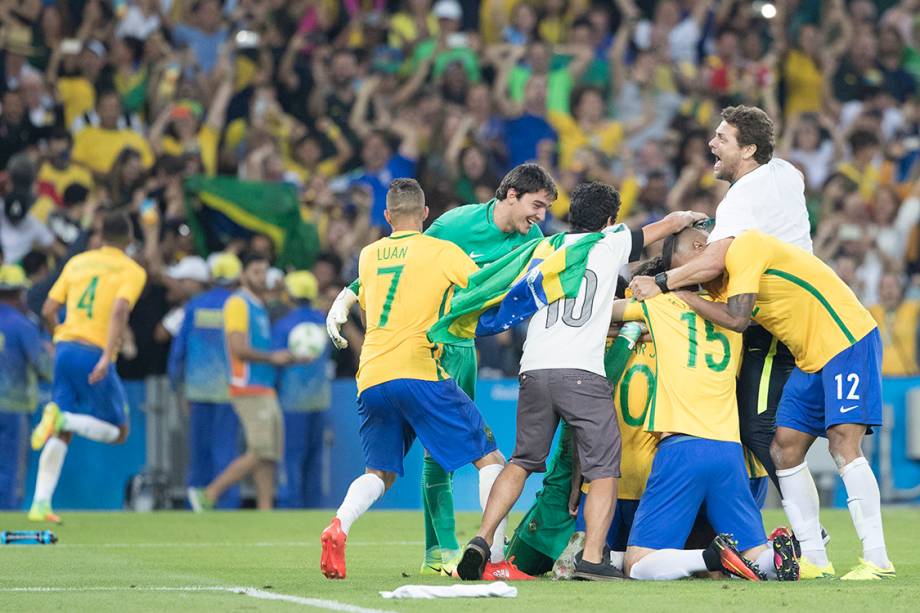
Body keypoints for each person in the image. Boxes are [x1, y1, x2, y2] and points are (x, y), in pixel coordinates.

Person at [456, 183, 705, 581]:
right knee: (604, 469)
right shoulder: (610, 243)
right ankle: (592, 559)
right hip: (581, 373)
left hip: (533, 368)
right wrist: (690, 219)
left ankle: (482, 540)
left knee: (522, 461)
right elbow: (666, 225)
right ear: (609, 220)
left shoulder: (546, 249)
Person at [326, 163, 557, 576]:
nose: (540, 217)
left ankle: (345, 526)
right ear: (511, 195)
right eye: (536, 205)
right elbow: (436, 265)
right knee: (476, 457)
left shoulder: (532, 240)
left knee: (393, 467)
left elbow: (395, 258)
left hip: (432, 354)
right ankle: (459, 552)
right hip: (429, 354)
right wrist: (348, 295)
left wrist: (347, 297)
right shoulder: (455, 228)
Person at [676, 229, 895, 580]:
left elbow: (737, 318)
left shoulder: (745, 247)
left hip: (846, 339)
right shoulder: (722, 281)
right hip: (810, 358)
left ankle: (877, 558)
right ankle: (814, 557)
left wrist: (676, 291)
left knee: (843, 443)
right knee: (784, 447)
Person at [629, 105, 812, 495]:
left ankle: (810, 528)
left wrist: (663, 282)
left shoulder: (739, 199)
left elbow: (713, 261)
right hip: (802, 308)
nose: (711, 144)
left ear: (748, 151)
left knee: (758, 425)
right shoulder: (785, 172)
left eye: (722, 139)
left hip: (775, 320)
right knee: (765, 421)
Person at [613, 225, 798, 582]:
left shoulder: (661, 305)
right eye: (701, 247)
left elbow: (601, 314)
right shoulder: (732, 315)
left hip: (683, 446)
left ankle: (712, 557)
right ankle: (777, 560)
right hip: (729, 450)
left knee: (636, 564)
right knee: (755, 554)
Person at [29, 211, 147, 523]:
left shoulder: (77, 262)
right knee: (119, 432)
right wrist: (108, 355)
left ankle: (40, 503)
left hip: (66, 348)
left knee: (61, 433)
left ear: (101, 235)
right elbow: (120, 308)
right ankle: (63, 417)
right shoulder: (132, 270)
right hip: (95, 352)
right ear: (130, 238)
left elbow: (48, 308)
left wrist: (58, 338)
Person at [187, 254, 295, 511]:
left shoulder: (258, 306)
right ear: (243, 275)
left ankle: (266, 509)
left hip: (263, 386)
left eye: (264, 271)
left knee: (270, 453)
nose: (262, 276)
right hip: (246, 386)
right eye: (256, 271)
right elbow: (238, 349)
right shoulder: (238, 303)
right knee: (259, 450)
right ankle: (208, 494)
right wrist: (273, 357)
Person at [167, 253, 243, 509]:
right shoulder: (239, 305)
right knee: (226, 454)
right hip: (230, 393)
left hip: (197, 392)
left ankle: (194, 505)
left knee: (198, 456)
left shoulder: (194, 305)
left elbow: (179, 350)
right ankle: (227, 506)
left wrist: (176, 387)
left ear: (211, 278)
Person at [272, 270, 333, 508]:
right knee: (315, 458)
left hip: (291, 401)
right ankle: (314, 507)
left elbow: (277, 362)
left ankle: (291, 506)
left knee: (292, 457)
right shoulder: (322, 321)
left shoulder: (284, 324)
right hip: (320, 400)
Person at [0, 265, 52, 509]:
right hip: (14, 407)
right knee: (12, 467)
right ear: (20, 293)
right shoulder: (23, 325)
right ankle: (7, 517)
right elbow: (43, 366)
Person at [868, 271, 920, 376]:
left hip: (907, 376)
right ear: (879, 291)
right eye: (885, 287)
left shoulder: (911, 308)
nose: (889, 291)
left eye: (893, 286)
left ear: (900, 290)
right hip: (881, 379)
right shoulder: (872, 311)